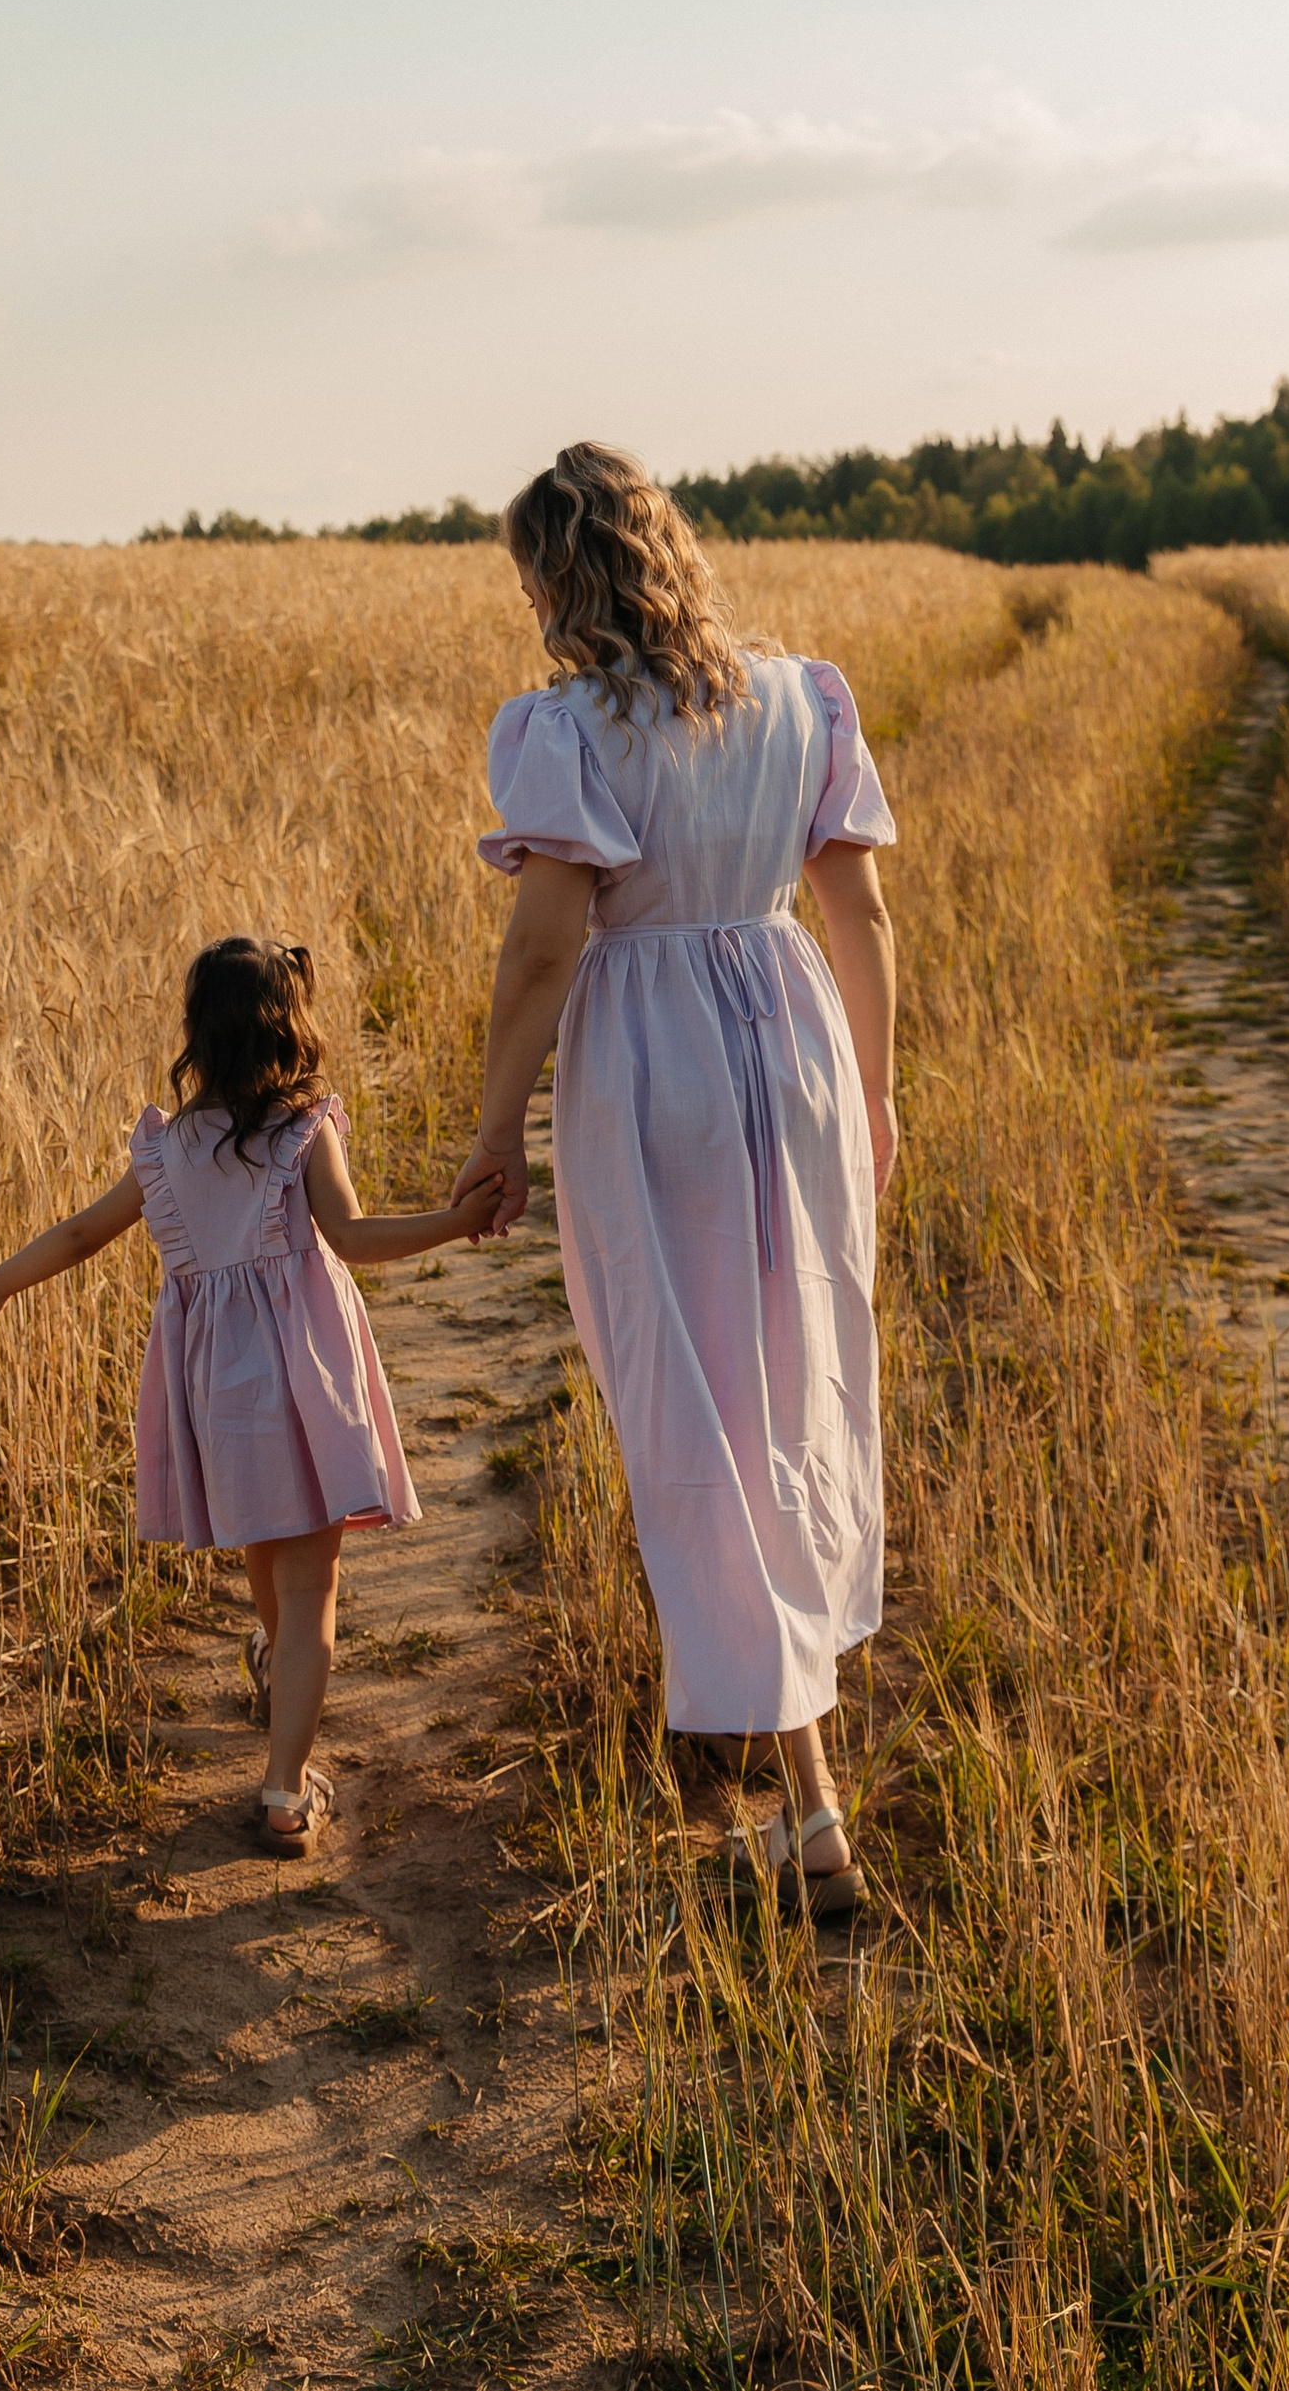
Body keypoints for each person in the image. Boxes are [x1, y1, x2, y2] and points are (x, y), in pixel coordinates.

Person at [450, 443, 899, 1919]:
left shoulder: (567, 728)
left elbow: (543, 943)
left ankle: (750, 1808)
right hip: (798, 1048)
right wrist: (875, 1098)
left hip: (657, 1066)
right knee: (792, 1388)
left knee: (687, 1412)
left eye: (528, 578)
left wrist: (495, 1124)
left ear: (559, 579)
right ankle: (804, 1806)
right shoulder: (797, 695)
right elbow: (860, 905)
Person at [0, 934, 499, 1850]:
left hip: (218, 1388)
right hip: (304, 1381)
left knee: (265, 1552)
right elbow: (353, 1240)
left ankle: (276, 1671)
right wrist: (457, 1222)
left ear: (198, 1036)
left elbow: (84, 1233)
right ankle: (286, 1789)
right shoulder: (303, 1132)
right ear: (292, 1030)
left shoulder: (166, 1150)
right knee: (312, 1581)